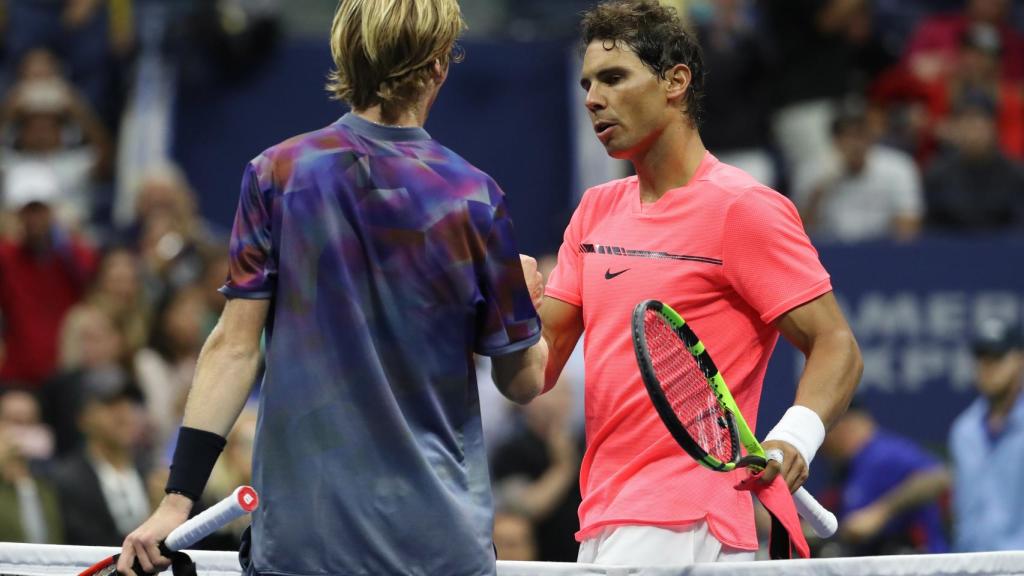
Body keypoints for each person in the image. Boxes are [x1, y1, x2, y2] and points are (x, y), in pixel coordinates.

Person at [118, 1, 548, 575]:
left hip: (306, 546)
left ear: (343, 54)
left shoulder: (278, 174)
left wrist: (177, 502)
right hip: (438, 546)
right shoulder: (475, 198)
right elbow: (522, 381)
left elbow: (234, 346)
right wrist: (525, 300)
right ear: (440, 65)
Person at [537, 0, 862, 565]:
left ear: (675, 82)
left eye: (614, 78)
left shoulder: (744, 208)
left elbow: (837, 345)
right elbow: (538, 366)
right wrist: (506, 308)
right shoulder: (594, 210)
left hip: (688, 518)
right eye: (588, 82)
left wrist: (796, 436)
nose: (593, 98)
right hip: (606, 511)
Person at [820, 405, 950, 555]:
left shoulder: (885, 453)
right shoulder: (848, 466)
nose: (822, 445)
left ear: (841, 426)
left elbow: (937, 477)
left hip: (918, 563)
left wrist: (881, 513)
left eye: (824, 433)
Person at [794, 103, 923, 243]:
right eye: (847, 135)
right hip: (828, 250)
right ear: (835, 140)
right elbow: (797, 229)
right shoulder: (812, 169)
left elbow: (909, 225)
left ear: (870, 137)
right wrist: (824, 185)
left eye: (860, 134)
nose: (855, 143)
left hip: (882, 249)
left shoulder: (898, 166)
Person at [949, 317, 1024, 551]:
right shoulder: (963, 431)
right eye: (981, 358)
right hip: (970, 566)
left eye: (997, 357)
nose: (987, 367)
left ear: (1020, 360)